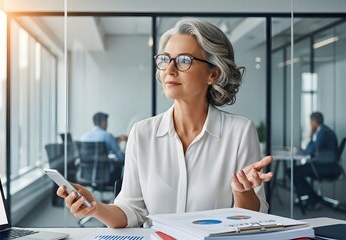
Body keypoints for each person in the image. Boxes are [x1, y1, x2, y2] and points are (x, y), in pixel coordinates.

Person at [58, 18, 274, 228]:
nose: (169, 69)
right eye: (164, 59)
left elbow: (253, 219)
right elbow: (131, 210)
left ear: (213, 74)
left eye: (184, 60)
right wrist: (94, 207)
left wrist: (243, 191)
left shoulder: (239, 131)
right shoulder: (142, 132)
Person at [293, 112, 339, 209]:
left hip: (324, 166)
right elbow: (312, 149)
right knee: (295, 170)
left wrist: (298, 151)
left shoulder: (322, 133)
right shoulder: (323, 131)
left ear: (315, 122)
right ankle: (312, 197)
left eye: (310, 122)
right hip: (324, 165)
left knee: (293, 171)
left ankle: (312, 197)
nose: (310, 124)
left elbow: (310, 151)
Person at [81, 112, 126, 183]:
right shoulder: (107, 136)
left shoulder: (84, 136)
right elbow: (120, 157)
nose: (107, 125)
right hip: (105, 174)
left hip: (86, 174)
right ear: (103, 122)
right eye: (106, 122)